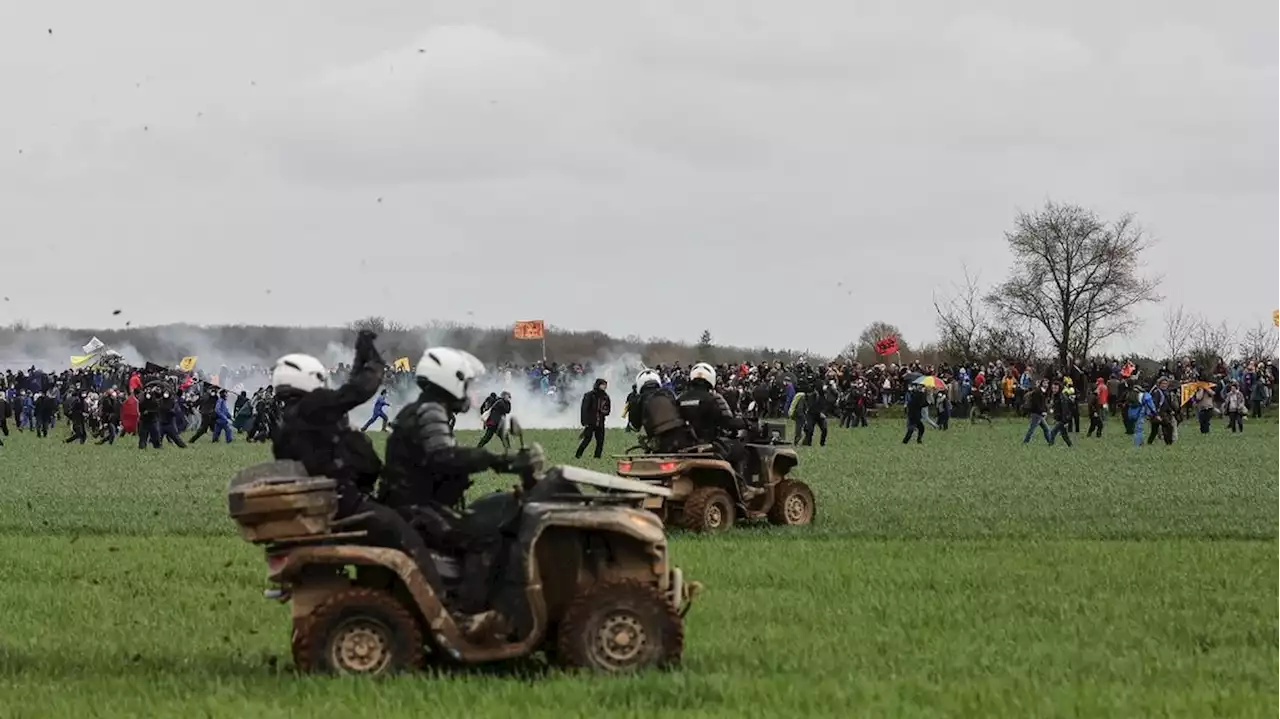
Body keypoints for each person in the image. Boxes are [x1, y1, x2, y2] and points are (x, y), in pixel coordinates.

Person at [379, 346, 516, 638]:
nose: (467, 390)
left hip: (411, 502)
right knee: (487, 537)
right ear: (449, 381)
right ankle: (465, 614)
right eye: (465, 383)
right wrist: (494, 459)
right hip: (414, 508)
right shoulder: (430, 411)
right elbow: (443, 456)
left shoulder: (425, 409)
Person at [677, 362, 750, 482]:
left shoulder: (679, 399)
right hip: (709, 444)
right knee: (741, 451)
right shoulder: (714, 398)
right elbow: (728, 422)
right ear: (711, 379)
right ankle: (742, 486)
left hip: (684, 445)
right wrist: (746, 423)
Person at [629, 369, 698, 452]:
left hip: (660, 443)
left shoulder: (638, 400)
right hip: (683, 438)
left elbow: (635, 425)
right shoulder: (668, 393)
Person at [575, 378, 611, 459]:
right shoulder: (589, 395)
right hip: (590, 422)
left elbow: (608, 410)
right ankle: (578, 455)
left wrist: (603, 411)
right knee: (587, 439)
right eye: (603, 385)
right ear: (598, 385)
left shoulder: (606, 397)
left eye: (605, 385)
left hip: (600, 422)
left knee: (600, 441)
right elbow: (584, 409)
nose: (604, 387)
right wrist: (584, 422)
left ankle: (597, 457)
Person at [1047, 381, 1073, 447]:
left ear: (1059, 388)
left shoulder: (1062, 397)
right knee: (1064, 434)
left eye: (1055, 388)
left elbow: (1065, 410)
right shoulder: (1055, 396)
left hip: (1062, 419)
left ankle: (1050, 446)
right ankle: (1070, 445)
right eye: (1053, 388)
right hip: (1059, 418)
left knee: (1052, 432)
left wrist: (1065, 421)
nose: (1054, 390)